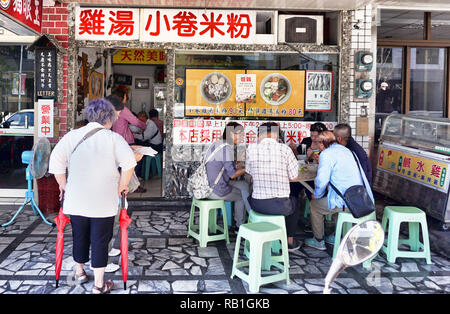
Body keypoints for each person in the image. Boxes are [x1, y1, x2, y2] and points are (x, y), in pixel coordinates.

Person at [49, 98, 137, 294]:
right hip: (103, 201)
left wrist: (64, 185)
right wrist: (122, 186)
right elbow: (129, 163)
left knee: (79, 235)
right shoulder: (113, 138)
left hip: (76, 199)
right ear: (110, 117)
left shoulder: (72, 136)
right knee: (100, 239)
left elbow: (56, 161)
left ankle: (80, 272)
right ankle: (99, 284)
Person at [304, 131, 374, 251]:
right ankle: (336, 235)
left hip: (345, 201)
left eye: (318, 143)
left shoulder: (326, 153)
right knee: (332, 202)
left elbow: (322, 180)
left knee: (314, 205)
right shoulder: (346, 150)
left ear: (322, 144)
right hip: (358, 199)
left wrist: (316, 194)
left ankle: (318, 240)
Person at [246, 122, 301, 251]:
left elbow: (250, 173)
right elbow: (294, 177)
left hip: (257, 204)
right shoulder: (285, 149)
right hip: (280, 206)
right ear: (276, 134)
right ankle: (290, 241)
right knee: (295, 202)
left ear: (261, 135)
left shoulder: (251, 149)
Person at [206, 122, 251, 231]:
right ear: (231, 134)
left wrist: (237, 163)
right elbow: (232, 174)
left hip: (208, 184)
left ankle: (249, 218)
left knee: (244, 185)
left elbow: (224, 167)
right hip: (216, 189)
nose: (241, 138)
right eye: (240, 135)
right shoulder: (227, 149)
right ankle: (240, 225)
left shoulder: (216, 144)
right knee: (241, 195)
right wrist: (248, 168)